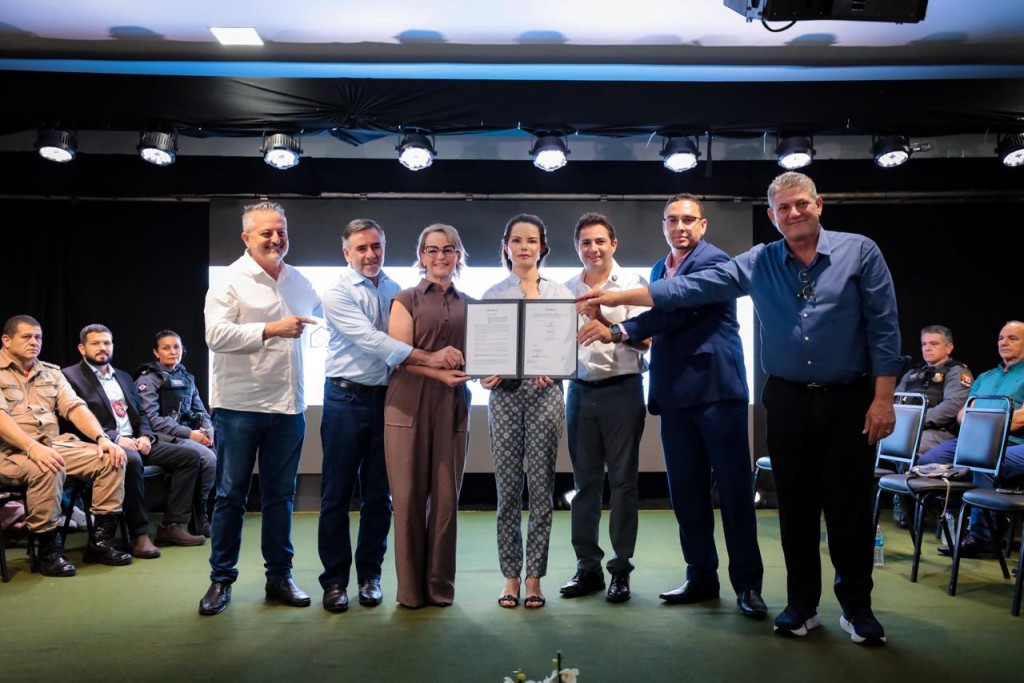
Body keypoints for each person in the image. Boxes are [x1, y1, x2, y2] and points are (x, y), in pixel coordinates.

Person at [578, 172, 902, 646]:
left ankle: (853, 607)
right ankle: (799, 605)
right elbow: (682, 293)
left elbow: (884, 328)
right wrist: (619, 309)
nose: (793, 213)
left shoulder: (858, 251)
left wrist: (883, 398)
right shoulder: (755, 260)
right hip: (781, 397)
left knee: (844, 508)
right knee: (791, 508)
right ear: (771, 216)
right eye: (783, 208)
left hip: (839, 396)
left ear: (819, 204)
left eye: (801, 204)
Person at [577, 195, 766, 617]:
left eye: (688, 220)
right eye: (672, 220)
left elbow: (677, 307)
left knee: (734, 493)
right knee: (686, 493)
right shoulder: (659, 269)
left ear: (703, 225)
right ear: (663, 225)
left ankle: (748, 586)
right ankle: (700, 577)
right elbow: (661, 318)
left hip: (717, 393)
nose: (680, 227)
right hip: (675, 398)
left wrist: (616, 324)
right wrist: (616, 329)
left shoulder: (715, 262)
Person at [319, 218, 463, 613]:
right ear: (346, 252)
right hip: (345, 398)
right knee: (336, 495)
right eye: (361, 248)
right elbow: (373, 341)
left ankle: (370, 577)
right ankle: (335, 582)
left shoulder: (394, 288)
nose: (370, 254)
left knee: (380, 497)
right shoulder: (336, 292)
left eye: (376, 246)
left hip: (387, 399)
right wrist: (431, 358)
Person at [199, 201, 322, 616]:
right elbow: (215, 335)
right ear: (246, 238)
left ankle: (279, 577)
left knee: (280, 497)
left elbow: (325, 323)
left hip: (289, 407)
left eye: (280, 231)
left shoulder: (299, 281)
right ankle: (221, 580)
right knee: (230, 496)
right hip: (239, 407)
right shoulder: (229, 281)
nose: (275, 239)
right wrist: (270, 329)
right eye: (266, 232)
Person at [482, 213, 574, 610]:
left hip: (545, 393)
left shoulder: (560, 294)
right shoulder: (491, 295)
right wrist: (484, 374)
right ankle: (511, 576)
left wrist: (555, 367)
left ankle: (534, 577)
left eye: (531, 241)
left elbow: (568, 347)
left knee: (541, 491)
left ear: (542, 247)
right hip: (504, 396)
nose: (524, 247)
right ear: (506, 247)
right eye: (517, 240)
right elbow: (484, 349)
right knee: (506, 492)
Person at [559, 212, 649, 604]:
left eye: (600, 241)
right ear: (576, 247)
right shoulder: (565, 289)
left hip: (623, 390)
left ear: (614, 244)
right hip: (579, 392)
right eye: (585, 243)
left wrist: (605, 321)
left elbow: (647, 341)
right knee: (585, 486)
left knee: (624, 484)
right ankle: (588, 568)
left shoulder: (633, 285)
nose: (593, 249)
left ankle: (621, 569)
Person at [0, 315, 132, 576]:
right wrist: (32, 447)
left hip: (52, 444)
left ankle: (100, 542)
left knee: (111, 457)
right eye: (26, 337)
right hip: (9, 450)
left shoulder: (51, 372)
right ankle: (48, 551)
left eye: (38, 337)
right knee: (48, 467)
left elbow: (74, 408)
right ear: (6, 340)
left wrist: (102, 439)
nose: (34, 342)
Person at [384, 224, 472, 608]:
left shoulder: (472, 304)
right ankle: (410, 591)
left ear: (458, 255)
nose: (440, 256)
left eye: (448, 249)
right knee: (407, 500)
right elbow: (399, 354)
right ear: (421, 256)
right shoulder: (405, 299)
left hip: (453, 403)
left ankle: (439, 587)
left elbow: (484, 354)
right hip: (407, 403)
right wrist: (437, 369)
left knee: (446, 501)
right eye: (432, 249)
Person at [62, 324, 206, 552]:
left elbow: (142, 414)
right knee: (131, 460)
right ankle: (139, 534)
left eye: (107, 343)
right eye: (95, 343)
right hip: (103, 444)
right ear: (82, 348)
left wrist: (146, 436)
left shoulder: (123, 376)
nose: (102, 348)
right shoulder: (69, 377)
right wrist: (116, 438)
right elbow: (74, 420)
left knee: (189, 457)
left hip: (137, 441)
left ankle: (172, 525)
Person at [918, 320, 1024, 559]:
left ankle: (982, 537)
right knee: (928, 461)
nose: (1004, 342)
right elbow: (962, 414)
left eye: (1012, 338)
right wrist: (978, 424)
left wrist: (981, 424)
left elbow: (1020, 419)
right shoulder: (986, 376)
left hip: (1014, 443)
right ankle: (962, 512)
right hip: (974, 440)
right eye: (1001, 338)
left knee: (982, 460)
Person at [133, 330, 217, 537]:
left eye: (176, 347)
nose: (173, 352)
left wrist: (208, 431)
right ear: (156, 352)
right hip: (160, 437)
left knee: (219, 452)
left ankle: (202, 515)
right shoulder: (148, 380)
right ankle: (199, 516)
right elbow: (152, 420)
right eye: (166, 348)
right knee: (207, 458)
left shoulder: (186, 377)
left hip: (187, 434)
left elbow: (200, 410)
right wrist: (189, 434)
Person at [895, 325, 971, 454]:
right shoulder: (912, 373)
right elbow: (895, 400)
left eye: (934, 344)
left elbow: (953, 405)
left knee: (910, 445)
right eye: (924, 344)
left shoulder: (957, 372)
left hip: (938, 431)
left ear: (949, 348)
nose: (927, 348)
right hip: (906, 426)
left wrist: (916, 420)